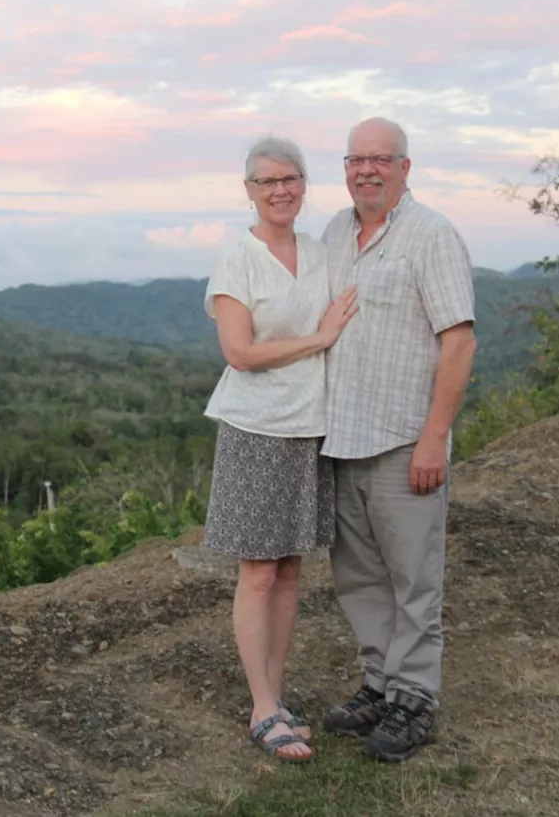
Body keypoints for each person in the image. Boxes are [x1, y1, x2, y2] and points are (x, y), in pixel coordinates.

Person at [318, 117, 477, 763]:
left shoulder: (431, 235)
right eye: (357, 159)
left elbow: (459, 340)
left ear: (405, 168)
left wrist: (433, 439)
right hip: (341, 438)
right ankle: (379, 683)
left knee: (413, 578)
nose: (368, 170)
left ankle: (415, 698)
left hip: (401, 439)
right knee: (358, 577)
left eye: (381, 159)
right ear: (346, 167)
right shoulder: (334, 232)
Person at [201, 135, 360, 763]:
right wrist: (318, 340)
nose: (280, 191)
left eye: (290, 179)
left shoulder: (319, 254)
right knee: (259, 570)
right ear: (249, 190)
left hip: (308, 427)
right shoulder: (237, 258)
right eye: (267, 182)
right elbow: (239, 352)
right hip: (255, 430)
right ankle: (262, 707)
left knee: (291, 567)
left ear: (303, 184)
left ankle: (276, 696)